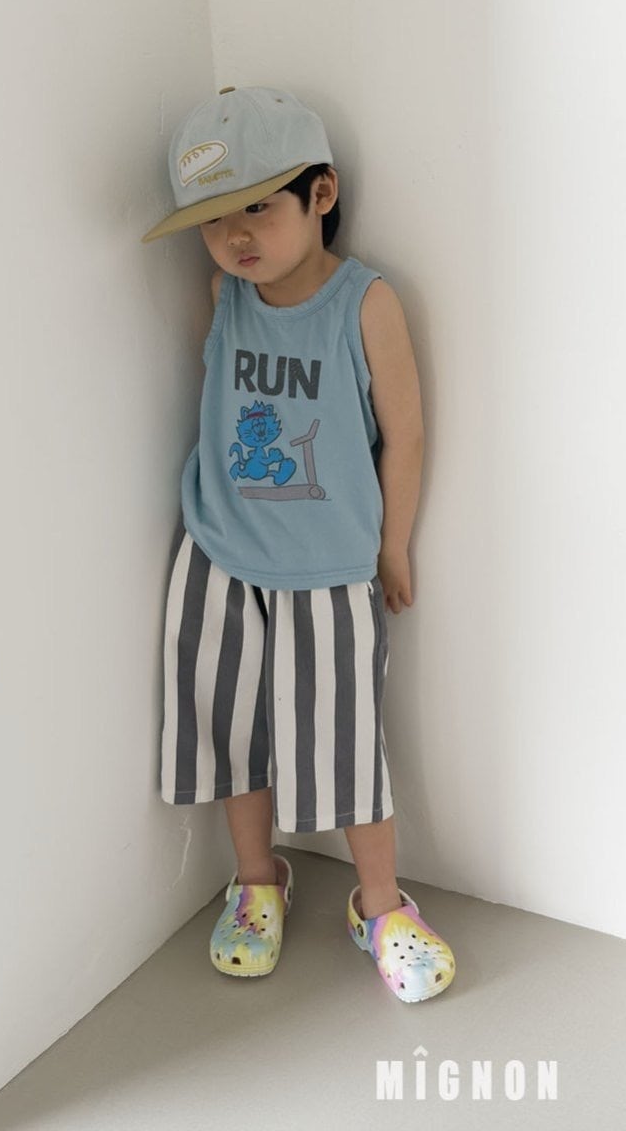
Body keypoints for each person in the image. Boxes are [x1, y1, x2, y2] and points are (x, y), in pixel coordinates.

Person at [141, 85, 455, 1004]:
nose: (235, 236)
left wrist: (394, 546)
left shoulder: (367, 303)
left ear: (322, 194)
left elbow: (406, 434)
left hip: (330, 565)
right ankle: (256, 883)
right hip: (218, 552)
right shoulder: (223, 296)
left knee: (345, 739)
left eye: (257, 207)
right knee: (229, 728)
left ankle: (382, 905)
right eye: (213, 219)